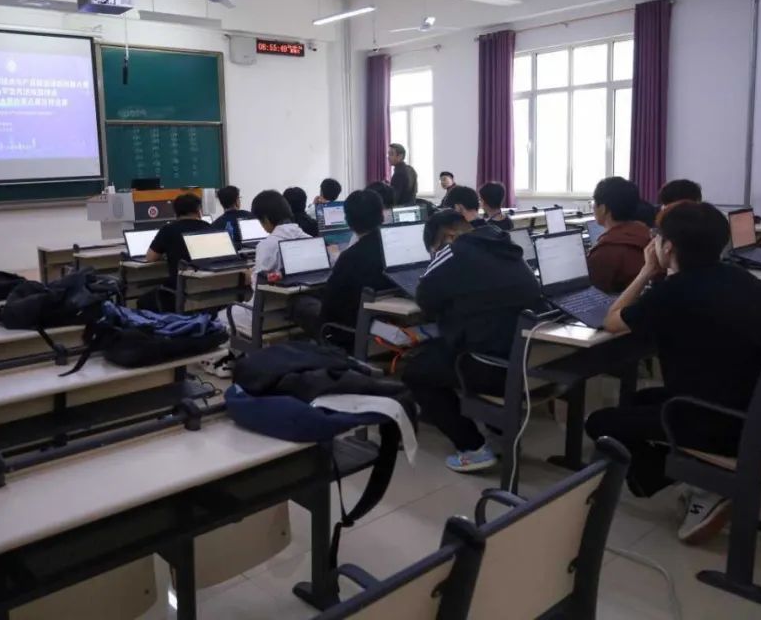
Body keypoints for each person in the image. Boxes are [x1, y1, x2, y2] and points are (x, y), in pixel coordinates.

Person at [586, 202, 761, 545]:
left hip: (716, 420)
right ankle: (693, 477)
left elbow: (612, 320)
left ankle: (706, 484)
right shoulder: (745, 279)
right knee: (638, 400)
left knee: (599, 423)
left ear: (667, 247)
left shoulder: (672, 292)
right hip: (756, 409)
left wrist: (646, 271)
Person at [403, 212, 541, 472]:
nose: (436, 256)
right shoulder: (505, 245)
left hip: (492, 368)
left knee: (414, 370)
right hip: (530, 365)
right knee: (442, 350)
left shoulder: (453, 252)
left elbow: (425, 299)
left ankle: (472, 447)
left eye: (434, 251)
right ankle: (500, 434)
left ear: (448, 237)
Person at [310, 190, 394, 342]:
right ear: (381, 215)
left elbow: (329, 305)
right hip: (386, 321)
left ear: (347, 220)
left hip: (351, 330)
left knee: (302, 304)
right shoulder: (394, 247)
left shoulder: (349, 258)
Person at [228, 191, 310, 338]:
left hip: (265, 320)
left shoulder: (266, 246)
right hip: (299, 316)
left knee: (223, 316)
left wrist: (251, 276)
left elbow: (259, 287)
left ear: (265, 219)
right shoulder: (309, 239)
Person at [143, 193, 211, 310]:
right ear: (198, 211)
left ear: (176, 212)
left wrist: (166, 254)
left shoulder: (168, 229)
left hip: (182, 289)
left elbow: (150, 258)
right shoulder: (209, 227)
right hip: (209, 287)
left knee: (144, 300)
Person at [587, 177, 651, 293]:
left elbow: (592, 292)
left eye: (594, 203)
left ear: (603, 209)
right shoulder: (647, 234)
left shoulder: (603, 252)